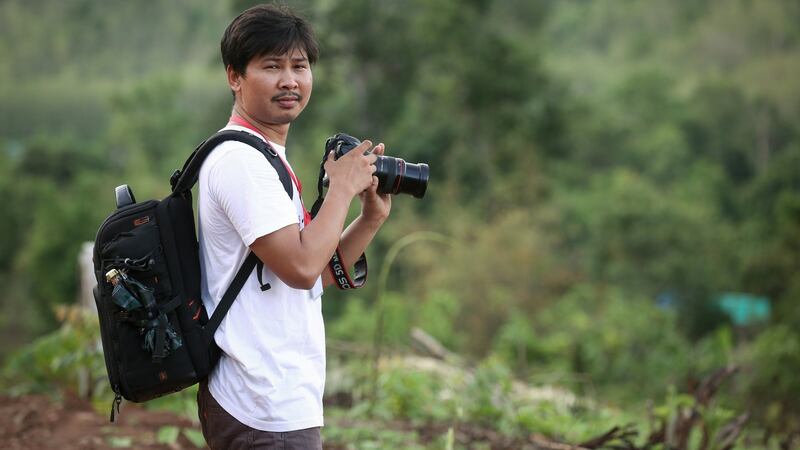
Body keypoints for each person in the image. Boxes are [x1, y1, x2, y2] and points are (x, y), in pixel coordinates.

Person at [196, 4, 391, 449]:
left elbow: (313, 274)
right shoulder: (242, 162)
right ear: (234, 76)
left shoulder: (264, 157)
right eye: (272, 67)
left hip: (273, 401)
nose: (290, 81)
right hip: (262, 404)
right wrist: (341, 189)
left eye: (299, 66)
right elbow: (302, 269)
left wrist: (369, 218)